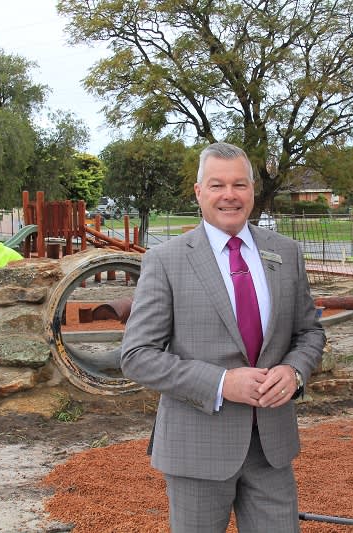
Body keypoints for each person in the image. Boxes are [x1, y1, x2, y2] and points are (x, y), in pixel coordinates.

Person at [121, 142, 325, 532]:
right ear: (199, 192)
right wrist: (221, 382)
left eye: (239, 184)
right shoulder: (166, 261)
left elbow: (309, 332)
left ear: (252, 190)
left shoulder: (285, 253)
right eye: (217, 185)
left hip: (271, 448)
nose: (229, 195)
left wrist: (295, 372)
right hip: (197, 447)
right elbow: (137, 355)